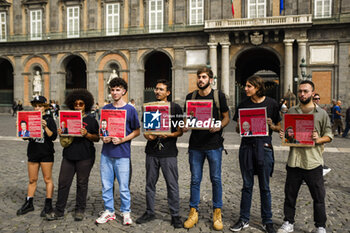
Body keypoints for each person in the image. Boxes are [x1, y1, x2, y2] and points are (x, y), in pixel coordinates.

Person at [277, 80, 333, 233]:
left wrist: (319, 139)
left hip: (313, 162)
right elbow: (285, 131)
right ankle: (288, 222)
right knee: (290, 196)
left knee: (318, 197)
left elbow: (329, 135)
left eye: (306, 91)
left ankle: (320, 226)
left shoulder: (321, 114)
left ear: (312, 93)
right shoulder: (291, 112)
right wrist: (283, 134)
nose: (302, 94)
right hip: (294, 161)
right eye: (300, 91)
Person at [230, 76, 281, 233]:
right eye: (245, 85)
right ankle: (244, 219)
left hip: (264, 148)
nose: (245, 88)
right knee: (247, 185)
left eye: (249, 86)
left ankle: (267, 220)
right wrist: (239, 126)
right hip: (246, 148)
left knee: (265, 187)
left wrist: (271, 124)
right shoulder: (243, 105)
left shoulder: (272, 103)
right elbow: (239, 130)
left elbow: (279, 127)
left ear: (258, 88)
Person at [182, 66, 230, 231]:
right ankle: (193, 212)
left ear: (210, 79)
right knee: (195, 180)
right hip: (195, 145)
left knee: (215, 179)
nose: (200, 80)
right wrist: (185, 126)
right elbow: (187, 119)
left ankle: (217, 212)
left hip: (214, 145)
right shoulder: (191, 97)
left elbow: (226, 118)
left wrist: (219, 127)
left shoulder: (218, 96)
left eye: (203, 77)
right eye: (198, 77)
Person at [136, 79, 183, 228]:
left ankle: (175, 215)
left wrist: (168, 135)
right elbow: (145, 130)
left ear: (168, 92)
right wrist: (147, 136)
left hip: (169, 153)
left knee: (172, 185)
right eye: (156, 89)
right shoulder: (149, 107)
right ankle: (150, 211)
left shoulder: (175, 108)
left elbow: (179, 131)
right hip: (151, 152)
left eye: (161, 89)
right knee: (150, 184)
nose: (157, 92)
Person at [47, 89, 99, 221]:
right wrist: (61, 131)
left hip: (85, 155)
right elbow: (64, 136)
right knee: (63, 182)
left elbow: (97, 138)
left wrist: (86, 134)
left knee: (82, 183)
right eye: (75, 104)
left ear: (86, 104)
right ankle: (59, 210)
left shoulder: (92, 120)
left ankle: (80, 209)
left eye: (81, 104)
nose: (78, 106)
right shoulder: (67, 118)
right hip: (69, 155)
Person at [95, 77, 140, 225]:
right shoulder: (106, 109)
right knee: (106, 185)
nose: (115, 92)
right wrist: (103, 137)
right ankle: (109, 211)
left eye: (118, 90)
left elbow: (137, 131)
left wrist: (123, 139)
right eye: (113, 90)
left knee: (124, 186)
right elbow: (102, 130)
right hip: (106, 153)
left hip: (122, 153)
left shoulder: (130, 109)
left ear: (124, 91)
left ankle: (126, 212)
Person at [17, 96, 57, 217]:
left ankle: (48, 204)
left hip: (46, 153)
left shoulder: (49, 119)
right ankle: (29, 202)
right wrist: (21, 130)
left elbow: (53, 136)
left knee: (47, 179)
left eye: (39, 106)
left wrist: (45, 126)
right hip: (33, 152)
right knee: (32, 179)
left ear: (45, 107)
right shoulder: (30, 118)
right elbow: (26, 137)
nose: (37, 108)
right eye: (35, 106)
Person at [313, 94, 331, 176]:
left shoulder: (320, 111)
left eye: (318, 98)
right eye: (315, 98)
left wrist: (321, 139)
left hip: (318, 139)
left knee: (319, 155)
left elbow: (327, 130)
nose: (317, 100)